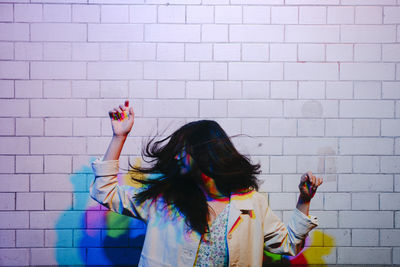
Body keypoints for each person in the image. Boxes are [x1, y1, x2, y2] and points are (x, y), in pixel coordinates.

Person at [89, 100, 323, 267]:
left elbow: (289, 243)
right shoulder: (163, 201)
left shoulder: (252, 204)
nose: (176, 156)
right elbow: (105, 192)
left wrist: (304, 200)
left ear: (204, 153)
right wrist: (119, 137)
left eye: (182, 150)